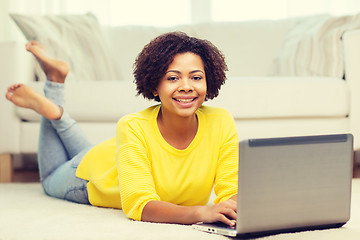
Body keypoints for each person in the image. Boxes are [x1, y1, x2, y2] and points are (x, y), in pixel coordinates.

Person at [5, 32, 238, 226]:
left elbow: (231, 191)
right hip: (91, 177)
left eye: (196, 77)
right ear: (154, 87)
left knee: (87, 150)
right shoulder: (132, 125)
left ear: (209, 83)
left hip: (112, 157)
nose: (186, 86)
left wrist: (240, 205)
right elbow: (139, 205)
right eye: (173, 78)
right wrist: (200, 212)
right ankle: (53, 105)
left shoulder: (221, 121)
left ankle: (56, 89)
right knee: (48, 179)